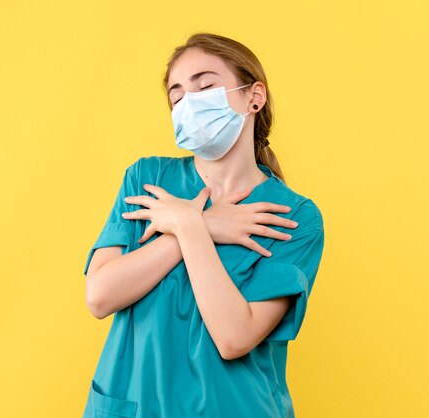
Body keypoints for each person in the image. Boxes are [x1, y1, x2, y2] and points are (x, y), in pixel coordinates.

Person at [81, 32, 325, 418]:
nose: (189, 102)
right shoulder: (146, 178)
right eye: (177, 96)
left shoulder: (293, 216)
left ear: (253, 97)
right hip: (133, 406)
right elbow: (99, 296)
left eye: (206, 85)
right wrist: (202, 224)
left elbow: (234, 337)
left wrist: (186, 225)